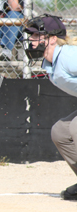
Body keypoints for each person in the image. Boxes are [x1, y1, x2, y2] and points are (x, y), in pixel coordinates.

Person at [23, 14, 77, 201]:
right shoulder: (51, 63)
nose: (31, 40)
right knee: (60, 132)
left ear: (53, 39)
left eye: (36, 36)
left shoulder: (68, 56)